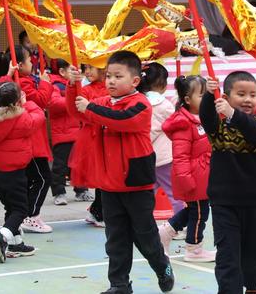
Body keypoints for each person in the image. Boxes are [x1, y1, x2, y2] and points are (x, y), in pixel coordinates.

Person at [68, 51, 174, 294]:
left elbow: (122, 120)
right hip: (109, 185)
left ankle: (162, 266)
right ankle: (119, 285)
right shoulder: (104, 102)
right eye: (108, 76)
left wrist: (90, 107)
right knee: (115, 239)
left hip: (135, 183)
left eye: (118, 76)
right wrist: (73, 85)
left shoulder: (140, 104)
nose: (111, 81)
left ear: (135, 81)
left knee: (145, 237)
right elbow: (77, 111)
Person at [201, 72, 256, 294]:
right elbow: (206, 117)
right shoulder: (217, 129)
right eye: (240, 94)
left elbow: (255, 133)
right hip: (224, 203)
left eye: (253, 95)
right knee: (228, 256)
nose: (248, 99)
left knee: (254, 255)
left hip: (255, 203)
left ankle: (253, 288)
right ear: (226, 96)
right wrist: (208, 96)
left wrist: (232, 113)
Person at [0, 81, 45, 262]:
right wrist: (26, 103)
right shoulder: (21, 118)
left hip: (0, 172)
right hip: (16, 172)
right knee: (21, 209)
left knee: (11, 208)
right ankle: (2, 237)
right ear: (16, 101)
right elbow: (39, 116)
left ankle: (15, 243)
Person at [158, 75, 215, 262]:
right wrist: (186, 179)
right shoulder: (184, 123)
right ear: (188, 100)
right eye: (202, 95)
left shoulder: (204, 116)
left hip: (203, 173)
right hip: (193, 175)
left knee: (194, 211)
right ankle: (194, 249)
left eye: (208, 94)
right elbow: (180, 155)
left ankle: (166, 232)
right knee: (200, 213)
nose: (207, 98)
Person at [0, 46, 54, 233]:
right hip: (32, 143)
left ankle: (24, 216)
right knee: (43, 179)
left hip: (31, 142)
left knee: (35, 179)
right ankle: (30, 215)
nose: (32, 63)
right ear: (20, 65)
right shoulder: (21, 83)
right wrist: (46, 83)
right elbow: (40, 101)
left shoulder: (22, 81)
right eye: (30, 61)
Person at [138, 63, 183, 214]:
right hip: (165, 158)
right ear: (162, 83)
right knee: (174, 192)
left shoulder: (137, 102)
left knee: (147, 194)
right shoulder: (164, 105)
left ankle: (142, 223)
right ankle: (180, 225)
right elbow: (177, 123)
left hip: (146, 157)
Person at [67, 63, 108, 227]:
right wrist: (71, 85)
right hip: (92, 137)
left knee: (104, 178)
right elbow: (73, 108)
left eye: (92, 67)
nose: (88, 71)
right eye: (86, 68)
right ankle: (99, 213)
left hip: (104, 136)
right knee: (101, 177)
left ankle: (96, 211)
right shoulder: (86, 89)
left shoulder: (109, 87)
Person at [48, 59, 91, 205]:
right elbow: (53, 104)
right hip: (63, 134)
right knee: (61, 165)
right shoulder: (54, 86)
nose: (77, 72)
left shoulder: (81, 85)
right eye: (73, 69)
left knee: (79, 164)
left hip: (78, 132)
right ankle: (59, 192)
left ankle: (81, 190)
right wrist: (72, 99)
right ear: (62, 71)